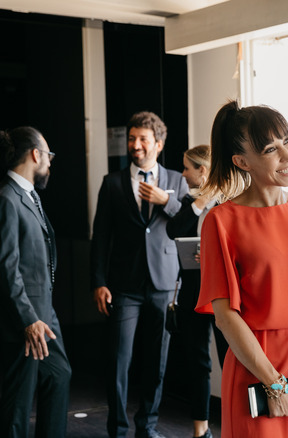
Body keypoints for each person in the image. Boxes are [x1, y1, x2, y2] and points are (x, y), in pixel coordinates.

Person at [195, 100, 288, 437]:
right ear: (242, 162)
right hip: (260, 372)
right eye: (271, 148)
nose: (287, 154)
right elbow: (225, 316)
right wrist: (274, 385)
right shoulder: (221, 221)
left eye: (287, 140)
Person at [91, 111, 189, 438]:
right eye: (132, 139)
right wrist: (99, 282)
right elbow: (101, 236)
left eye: (142, 139)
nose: (135, 145)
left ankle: (147, 426)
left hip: (164, 283)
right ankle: (117, 430)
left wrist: (167, 202)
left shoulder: (177, 181)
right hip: (124, 285)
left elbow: (187, 225)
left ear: (158, 144)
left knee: (156, 361)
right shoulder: (112, 182)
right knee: (118, 360)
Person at [0, 126, 71, 437]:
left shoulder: (28, 195)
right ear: (36, 155)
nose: (50, 162)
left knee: (59, 375)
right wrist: (28, 319)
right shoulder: (4, 199)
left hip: (44, 314)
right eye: (49, 155)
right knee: (19, 398)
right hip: (23, 321)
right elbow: (5, 268)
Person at [165, 144, 228, 438]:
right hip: (193, 290)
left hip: (225, 292)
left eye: (187, 167)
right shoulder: (191, 202)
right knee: (197, 361)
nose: (182, 173)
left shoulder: (230, 199)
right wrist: (199, 202)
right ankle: (200, 429)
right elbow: (172, 230)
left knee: (231, 359)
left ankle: (234, 424)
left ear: (202, 170)